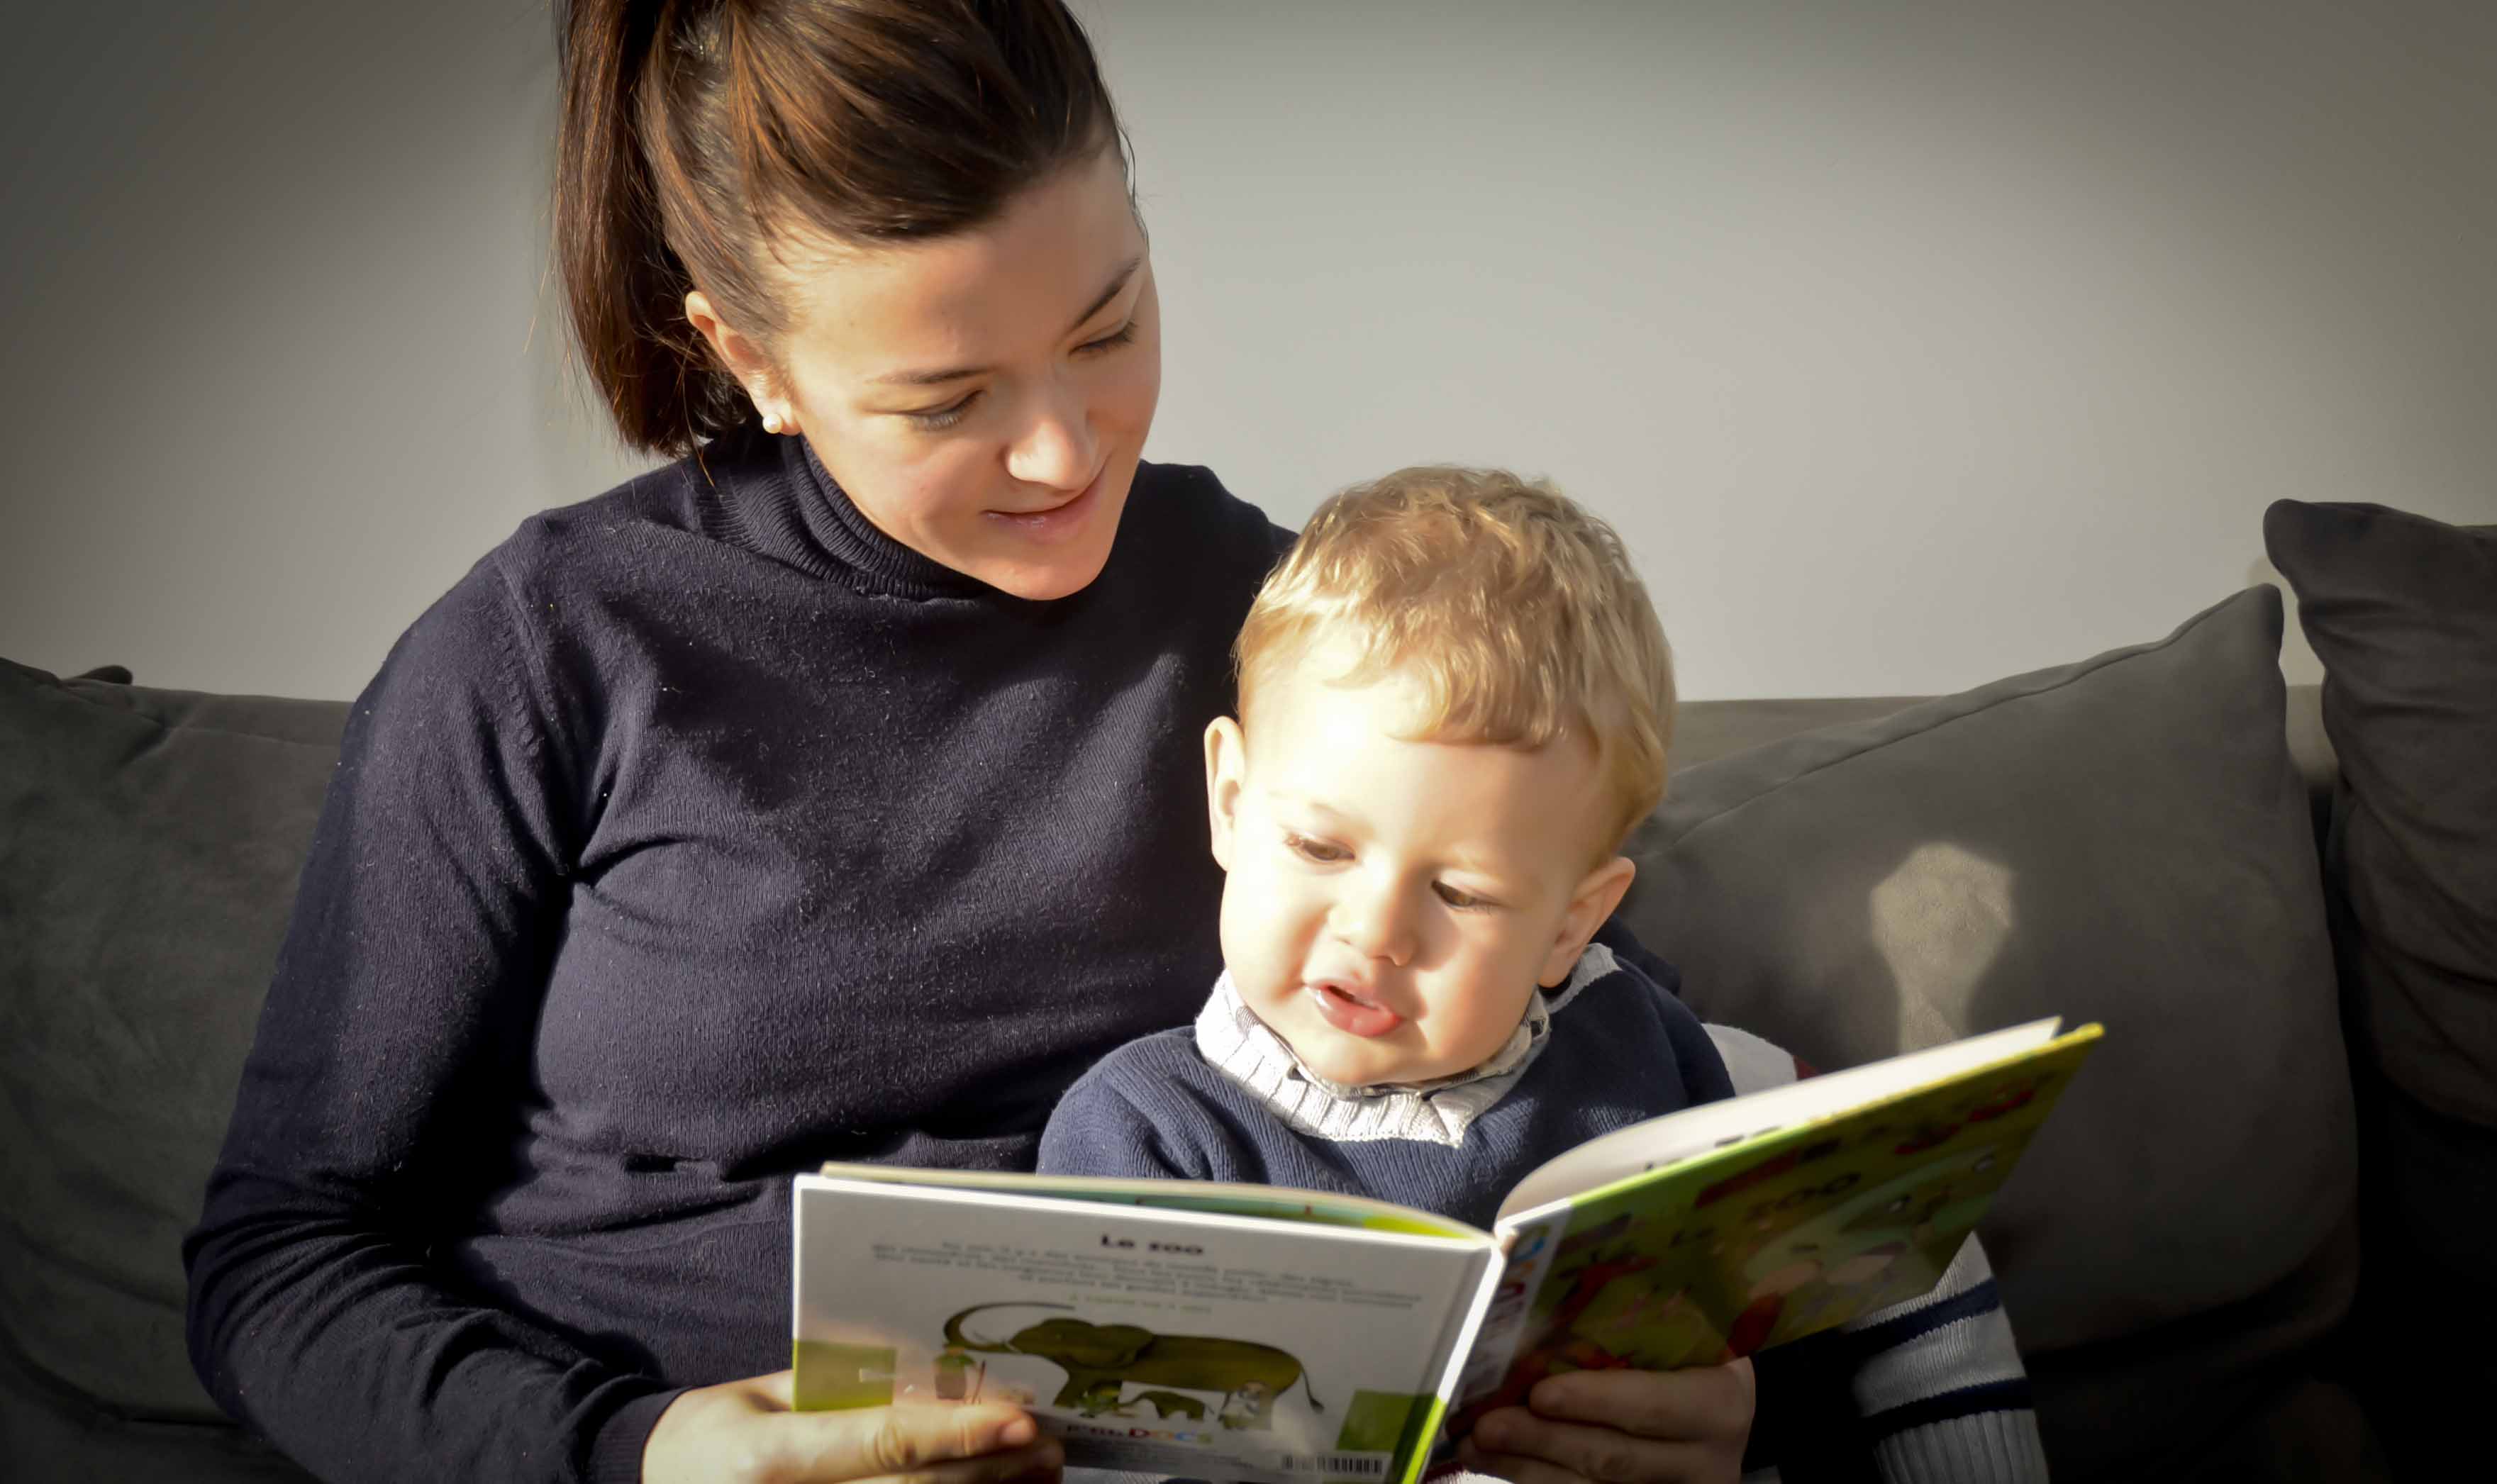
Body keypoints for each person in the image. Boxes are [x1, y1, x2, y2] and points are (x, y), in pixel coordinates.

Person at [182, 4, 1779, 1483]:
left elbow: (1582, 1037)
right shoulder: (550, 648)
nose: (1062, 449)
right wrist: (638, 1455)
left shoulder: (1271, 612)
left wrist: (1668, 1381)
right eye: (947, 400)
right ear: (754, 363)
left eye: (1107, 330)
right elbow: (281, 1261)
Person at [1038, 468, 2050, 1482]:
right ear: (1228, 801)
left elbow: (1911, 1240)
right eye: (1318, 846)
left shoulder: (1652, 1049)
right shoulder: (1146, 1133)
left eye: (1464, 894)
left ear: (1571, 922)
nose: (1377, 931)